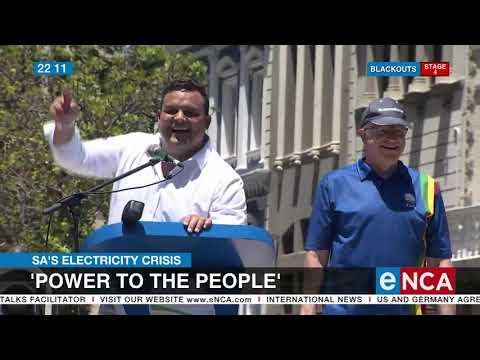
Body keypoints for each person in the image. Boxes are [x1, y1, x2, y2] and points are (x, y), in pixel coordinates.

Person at [44, 79, 247, 315]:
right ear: (158, 117)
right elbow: (78, 158)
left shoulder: (224, 179)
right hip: (117, 300)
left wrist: (210, 229)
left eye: (190, 113)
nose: (179, 117)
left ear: (206, 121)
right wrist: (65, 126)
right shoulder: (133, 148)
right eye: (171, 111)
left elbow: (234, 246)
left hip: (182, 306)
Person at [299, 97, 454, 315]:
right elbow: (316, 255)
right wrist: (307, 309)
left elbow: (441, 262)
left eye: (399, 131)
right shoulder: (334, 185)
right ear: (363, 135)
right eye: (382, 131)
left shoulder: (427, 188)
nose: (392, 138)